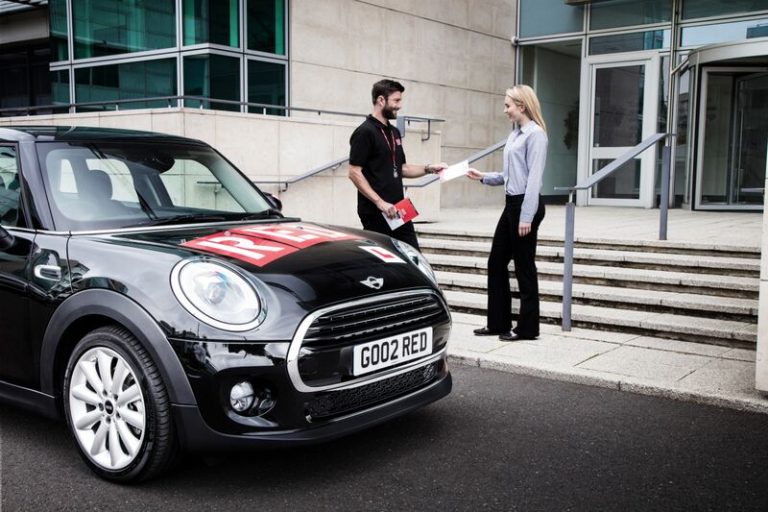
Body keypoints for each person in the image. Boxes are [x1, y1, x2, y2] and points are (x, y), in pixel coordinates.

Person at [467, 85, 547, 341]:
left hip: (526, 205)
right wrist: (483, 177)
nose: (505, 110)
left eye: (507, 106)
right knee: (496, 262)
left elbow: (533, 180)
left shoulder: (536, 135)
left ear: (521, 106)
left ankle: (527, 329)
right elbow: (510, 176)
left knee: (524, 267)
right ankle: (498, 323)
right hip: (511, 203)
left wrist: (526, 216)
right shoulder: (514, 135)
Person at [348, 79, 446, 250]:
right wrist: (380, 202)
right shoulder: (365, 132)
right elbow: (354, 172)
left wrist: (429, 168)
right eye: (396, 100)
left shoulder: (394, 132)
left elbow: (402, 168)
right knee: (384, 263)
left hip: (399, 208)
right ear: (381, 100)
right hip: (376, 212)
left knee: (413, 257)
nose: (399, 106)